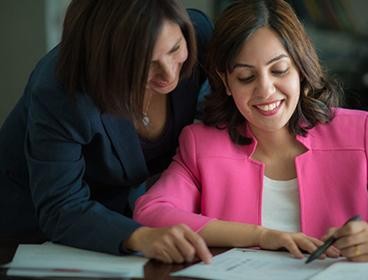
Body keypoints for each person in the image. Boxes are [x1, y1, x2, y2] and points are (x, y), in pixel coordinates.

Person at [134, 0, 368, 263]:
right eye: (246, 77)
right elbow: (152, 212)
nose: (266, 90)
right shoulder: (201, 144)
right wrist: (262, 236)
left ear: (301, 69)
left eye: (280, 70)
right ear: (226, 81)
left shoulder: (361, 133)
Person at [0, 0, 213, 263]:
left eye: (175, 49)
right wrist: (140, 236)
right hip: (33, 229)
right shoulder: (60, 89)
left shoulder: (199, 36)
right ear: (106, 59)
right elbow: (60, 206)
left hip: (129, 213)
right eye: (145, 64)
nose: (169, 73)